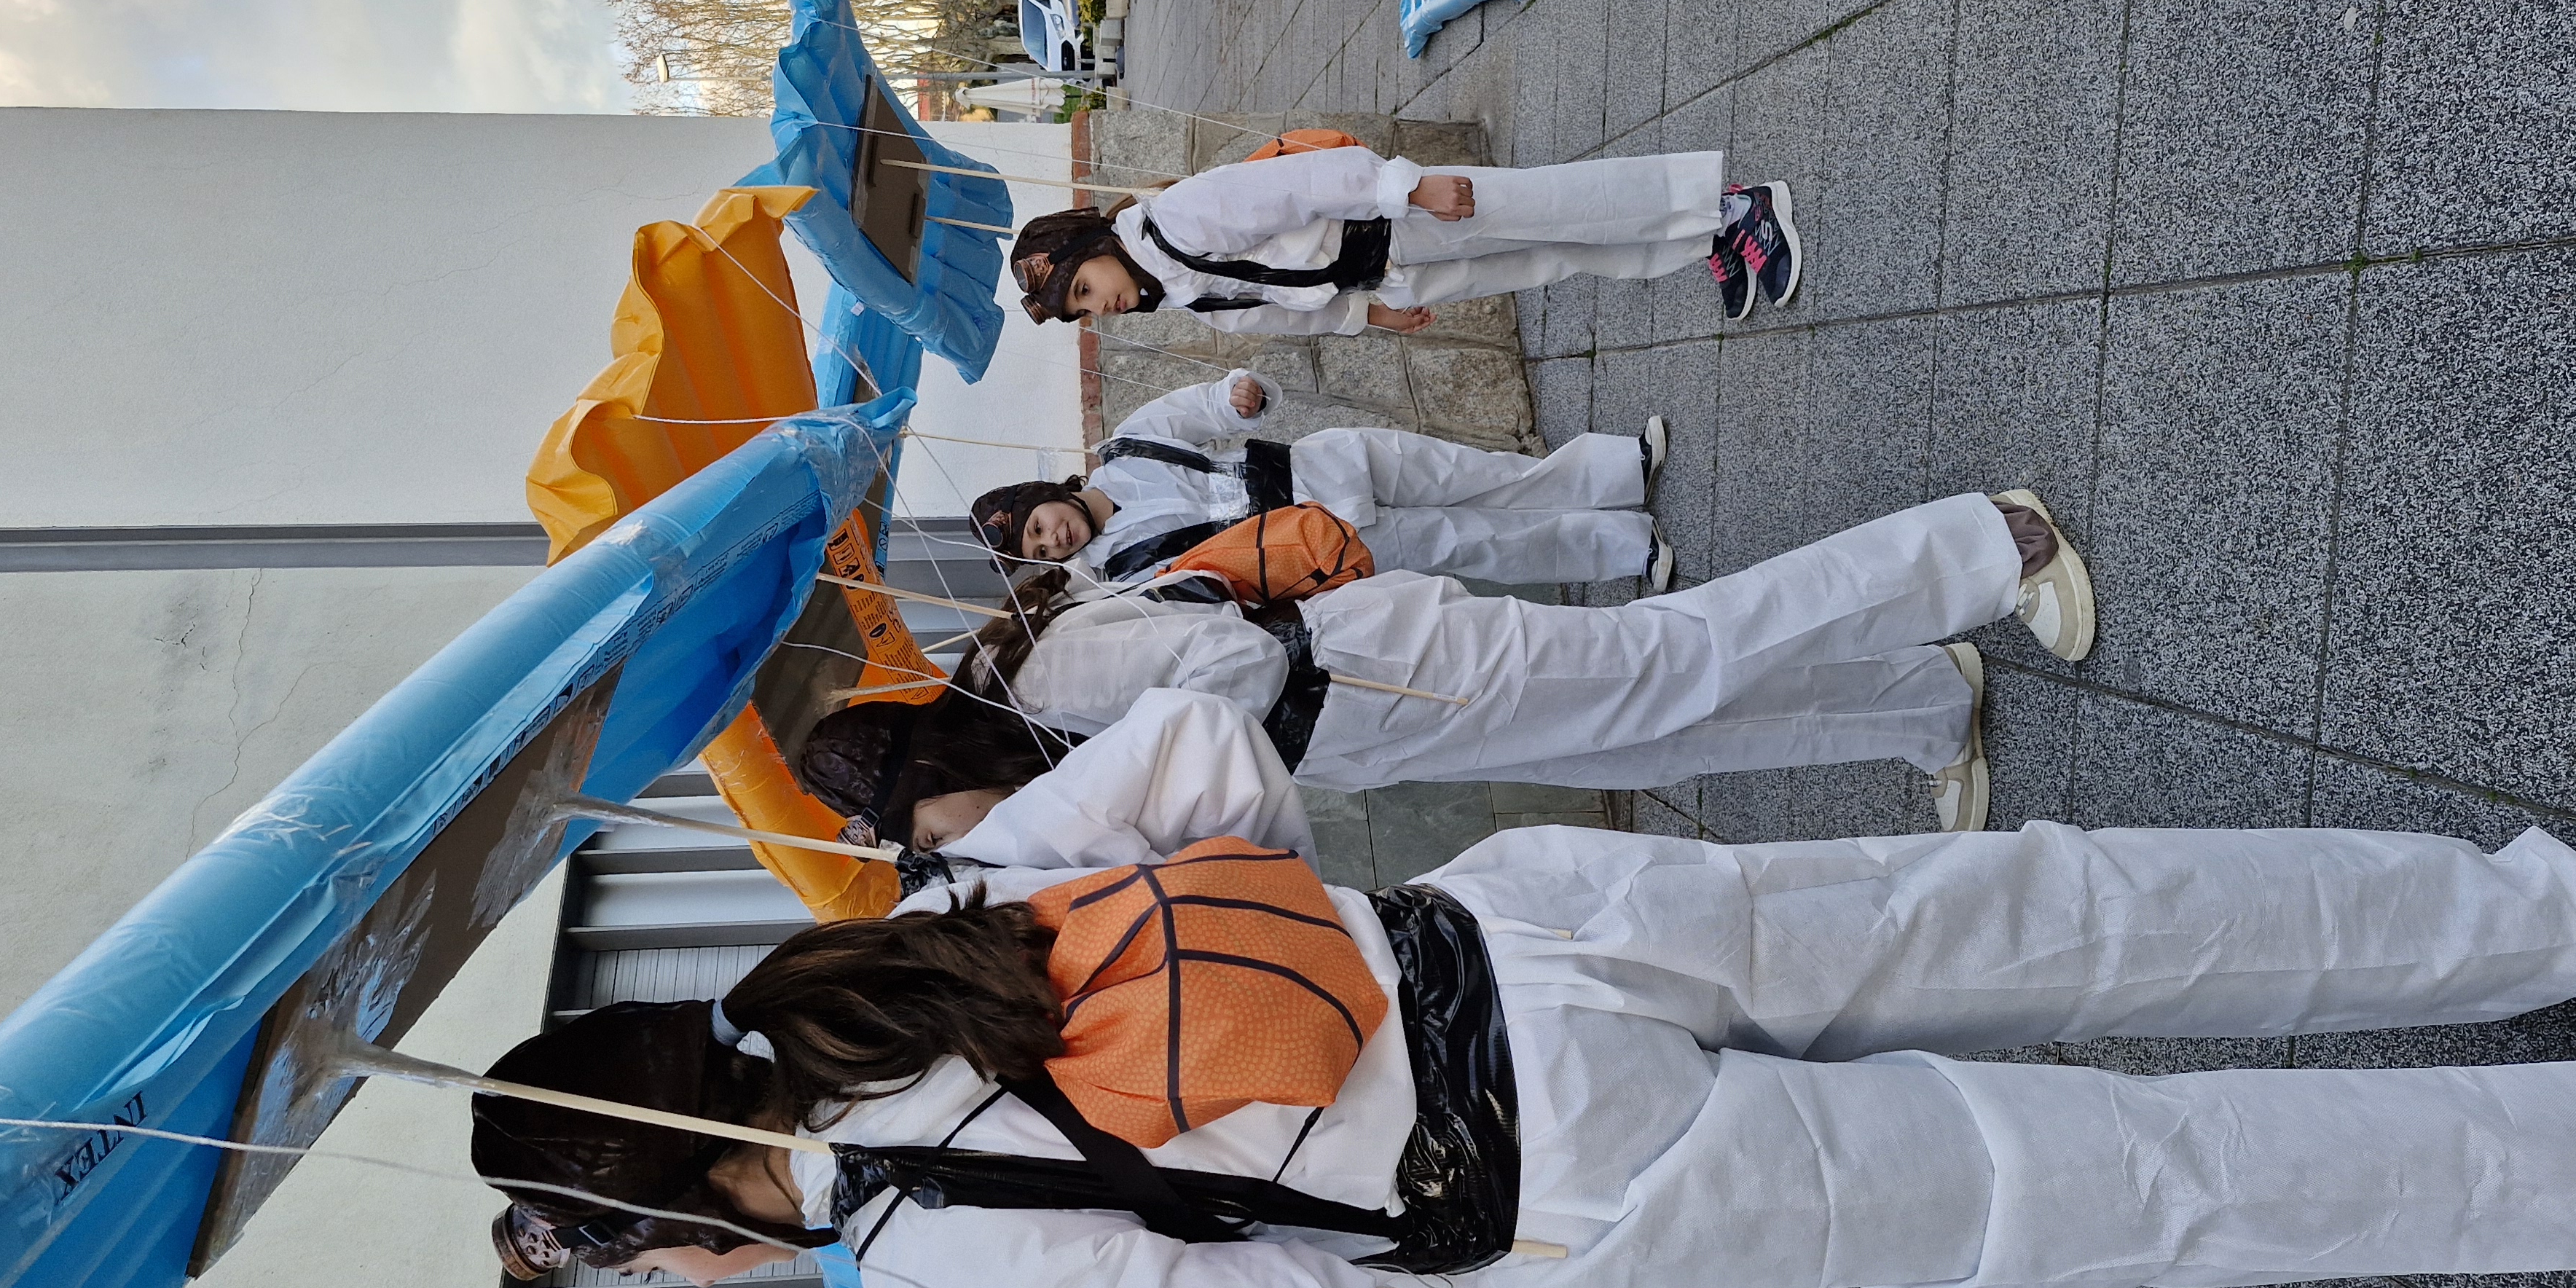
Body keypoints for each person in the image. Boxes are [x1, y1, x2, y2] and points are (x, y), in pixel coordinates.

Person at [474, 690, 2576, 1288]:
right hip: (1519, 921)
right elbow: (1205, 754)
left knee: (2147, 1180)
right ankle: (2546, 910)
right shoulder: (877, 949)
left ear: (668, 1223)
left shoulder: (938, 1279)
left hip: (1563, 1170)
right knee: (2054, 902)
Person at [809, 490, 2095, 836]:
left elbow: (1231, 670)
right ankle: (1924, 706)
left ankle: (1990, 542)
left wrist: (1164, 795)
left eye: (910, 821)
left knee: (1681, 652)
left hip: (1371, 676)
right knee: (1660, 737)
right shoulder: (1031, 723)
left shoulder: (1045, 687)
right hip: (1376, 720)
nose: (935, 837)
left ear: (927, 760)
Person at [973, 368, 1674, 589]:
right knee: (1474, 545)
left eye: (1039, 525)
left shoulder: (1125, 446)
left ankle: (1618, 468)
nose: (1054, 539)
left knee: (1473, 473)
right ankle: (1625, 549)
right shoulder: (1120, 579)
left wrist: (1236, 395)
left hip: (1313, 464)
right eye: (1040, 554)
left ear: (1046, 495)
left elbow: (1195, 410)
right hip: (1311, 543)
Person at [1009, 147, 1801, 333]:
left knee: (1553, 206)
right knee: (1550, 258)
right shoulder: (1179, 290)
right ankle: (1702, 243)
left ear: (1089, 245)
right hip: (1385, 274)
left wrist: (1404, 187)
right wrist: (1367, 317)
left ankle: (1730, 207)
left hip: (1395, 218)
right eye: (1083, 311)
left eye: (1082, 288)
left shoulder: (1170, 222)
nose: (1099, 306)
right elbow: (1282, 318)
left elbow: (1292, 185)